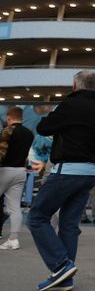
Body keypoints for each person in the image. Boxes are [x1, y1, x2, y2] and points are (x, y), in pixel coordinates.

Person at [27, 70, 95, 291]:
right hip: (90, 172)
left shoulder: (70, 105)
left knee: (36, 216)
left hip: (68, 169)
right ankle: (65, 278)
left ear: (75, 85)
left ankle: (61, 265)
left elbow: (43, 127)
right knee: (69, 225)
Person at [0, 107, 34, 250]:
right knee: (15, 207)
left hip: (4, 170)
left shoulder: (7, 131)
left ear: (9, 118)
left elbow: (1, 152)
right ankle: (13, 239)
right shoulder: (29, 134)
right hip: (20, 171)